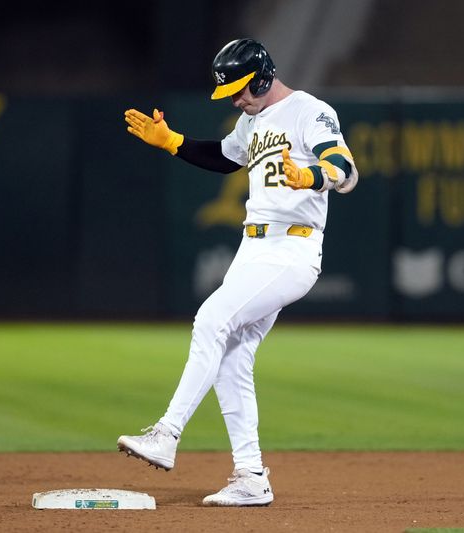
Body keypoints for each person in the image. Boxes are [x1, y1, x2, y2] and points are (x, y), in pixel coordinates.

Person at [117, 38, 358, 506]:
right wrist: (173, 143)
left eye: (243, 89)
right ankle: (250, 477)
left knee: (211, 320)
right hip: (253, 247)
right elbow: (226, 158)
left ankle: (167, 433)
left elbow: (345, 169)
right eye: (230, 92)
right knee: (231, 357)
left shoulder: (310, 111)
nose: (236, 99)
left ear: (265, 76)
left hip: (293, 247)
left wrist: (310, 176)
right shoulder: (251, 121)